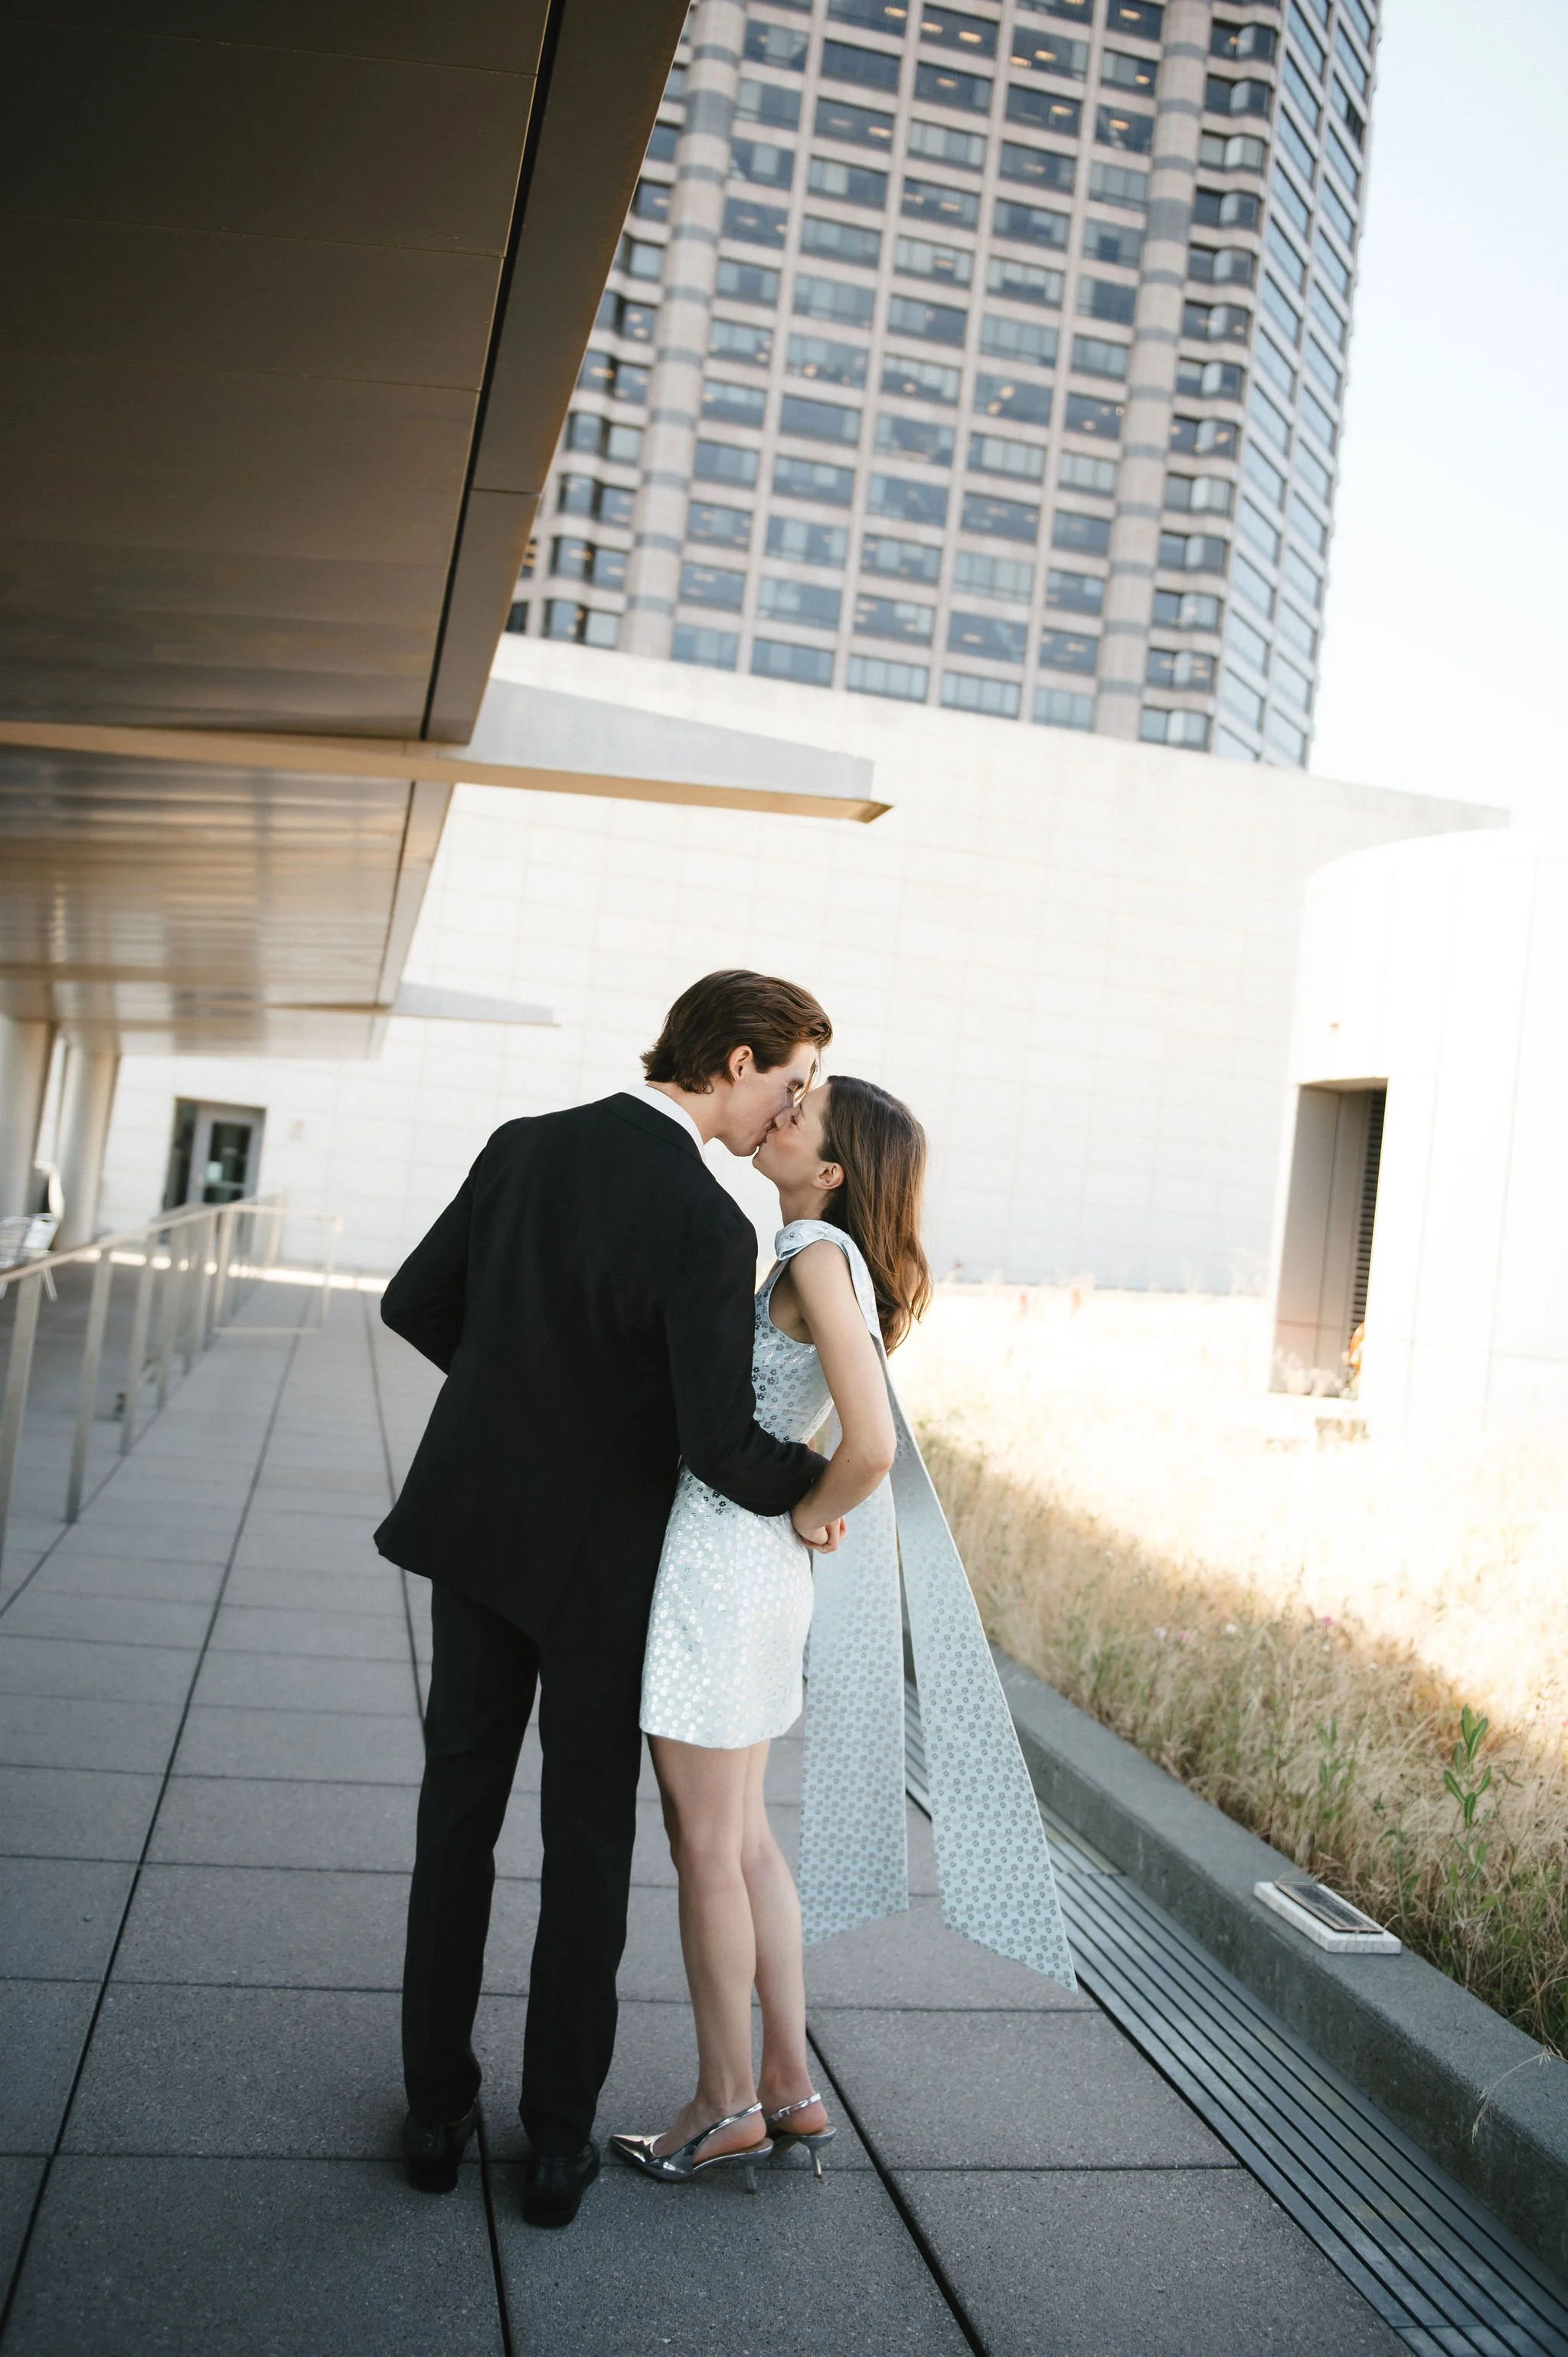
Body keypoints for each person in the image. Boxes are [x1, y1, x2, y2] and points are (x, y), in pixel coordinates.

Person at [375, 971, 838, 2229]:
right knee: (587, 1844)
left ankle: (433, 2109)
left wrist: (509, 1394)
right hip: (603, 1566)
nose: (787, 1113)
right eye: (789, 1083)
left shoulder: (524, 1147)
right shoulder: (706, 1217)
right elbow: (719, 1444)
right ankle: (561, 2140)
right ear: (738, 1061)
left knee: (454, 1816)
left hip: (476, 1531)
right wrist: (823, 1489)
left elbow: (412, 1302)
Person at [611, 1076, 932, 2187]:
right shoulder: (821, 1253)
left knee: (706, 1844)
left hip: (723, 1565)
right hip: (752, 1571)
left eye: (809, 1108)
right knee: (742, 1838)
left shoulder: (811, 1255)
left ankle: (722, 2100)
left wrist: (811, 1506)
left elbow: (873, 1441)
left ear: (832, 1170)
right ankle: (787, 2083)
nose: (785, 1107)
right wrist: (807, 1508)